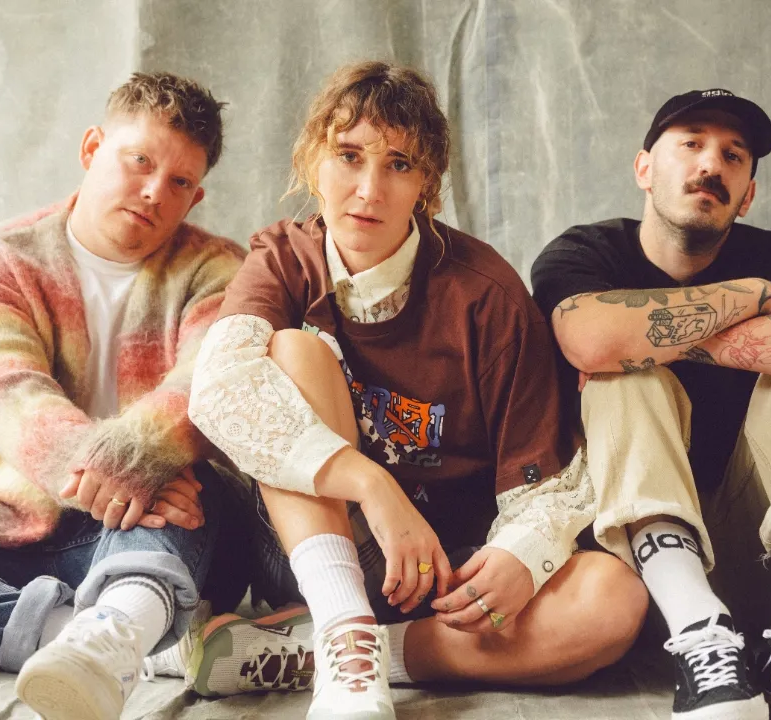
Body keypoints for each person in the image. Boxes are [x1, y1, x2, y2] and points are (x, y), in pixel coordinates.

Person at [187, 61, 646, 719]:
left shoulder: (485, 294)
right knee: (292, 351)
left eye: (398, 165)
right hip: (314, 550)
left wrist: (521, 556)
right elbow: (220, 390)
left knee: (612, 599)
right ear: (313, 162)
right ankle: (343, 630)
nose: (368, 190)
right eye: (349, 156)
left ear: (426, 184)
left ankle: (330, 654)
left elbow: (548, 483)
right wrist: (373, 486)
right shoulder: (285, 258)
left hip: (442, 570)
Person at [0, 72, 248, 720]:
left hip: (169, 527)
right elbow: (6, 395)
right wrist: (119, 471)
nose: (155, 191)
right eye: (139, 160)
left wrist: (144, 463)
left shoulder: (221, 270)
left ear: (197, 195)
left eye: (180, 182)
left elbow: (208, 384)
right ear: (92, 147)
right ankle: (95, 636)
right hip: (17, 521)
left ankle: (123, 621)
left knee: (189, 476)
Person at [529, 88, 771, 720]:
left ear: (747, 194)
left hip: (763, 550)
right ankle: (701, 636)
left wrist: (647, 338)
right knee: (625, 377)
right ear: (645, 169)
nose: (711, 165)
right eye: (691, 144)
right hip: (630, 570)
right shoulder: (587, 252)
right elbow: (591, 341)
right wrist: (754, 297)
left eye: (733, 155)